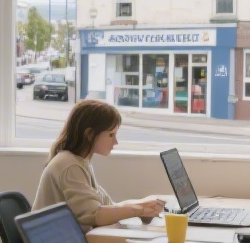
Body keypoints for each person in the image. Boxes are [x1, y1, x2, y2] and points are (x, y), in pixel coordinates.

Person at [34, 99, 165, 232]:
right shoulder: (70, 166)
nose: (116, 141)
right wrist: (139, 210)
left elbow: (108, 206)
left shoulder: (80, 162)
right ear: (89, 134)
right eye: (111, 135)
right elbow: (95, 215)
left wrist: (144, 206)